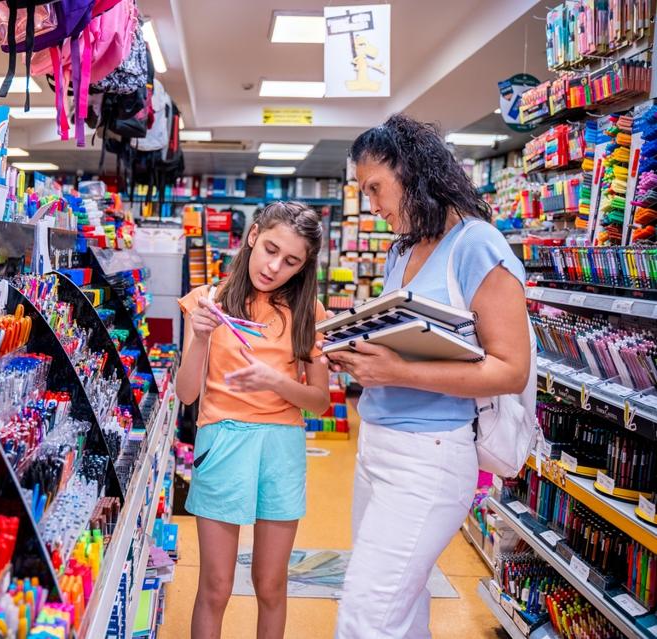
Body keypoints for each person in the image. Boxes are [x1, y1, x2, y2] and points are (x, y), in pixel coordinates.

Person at [324, 114, 531, 639]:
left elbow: (510, 369)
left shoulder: (476, 244)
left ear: (412, 173)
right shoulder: (402, 249)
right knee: (401, 608)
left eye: (376, 188)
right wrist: (355, 352)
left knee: (365, 618)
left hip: (431, 456)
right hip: (377, 448)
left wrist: (399, 371)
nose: (371, 205)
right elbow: (408, 345)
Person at [175, 201, 330, 639]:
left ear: (303, 268)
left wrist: (274, 382)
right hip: (221, 441)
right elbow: (187, 392)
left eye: (291, 261)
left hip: (282, 447)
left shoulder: (309, 314)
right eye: (270, 249)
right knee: (216, 586)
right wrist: (201, 336)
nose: (274, 266)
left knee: (271, 584)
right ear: (253, 235)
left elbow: (319, 402)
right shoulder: (208, 301)